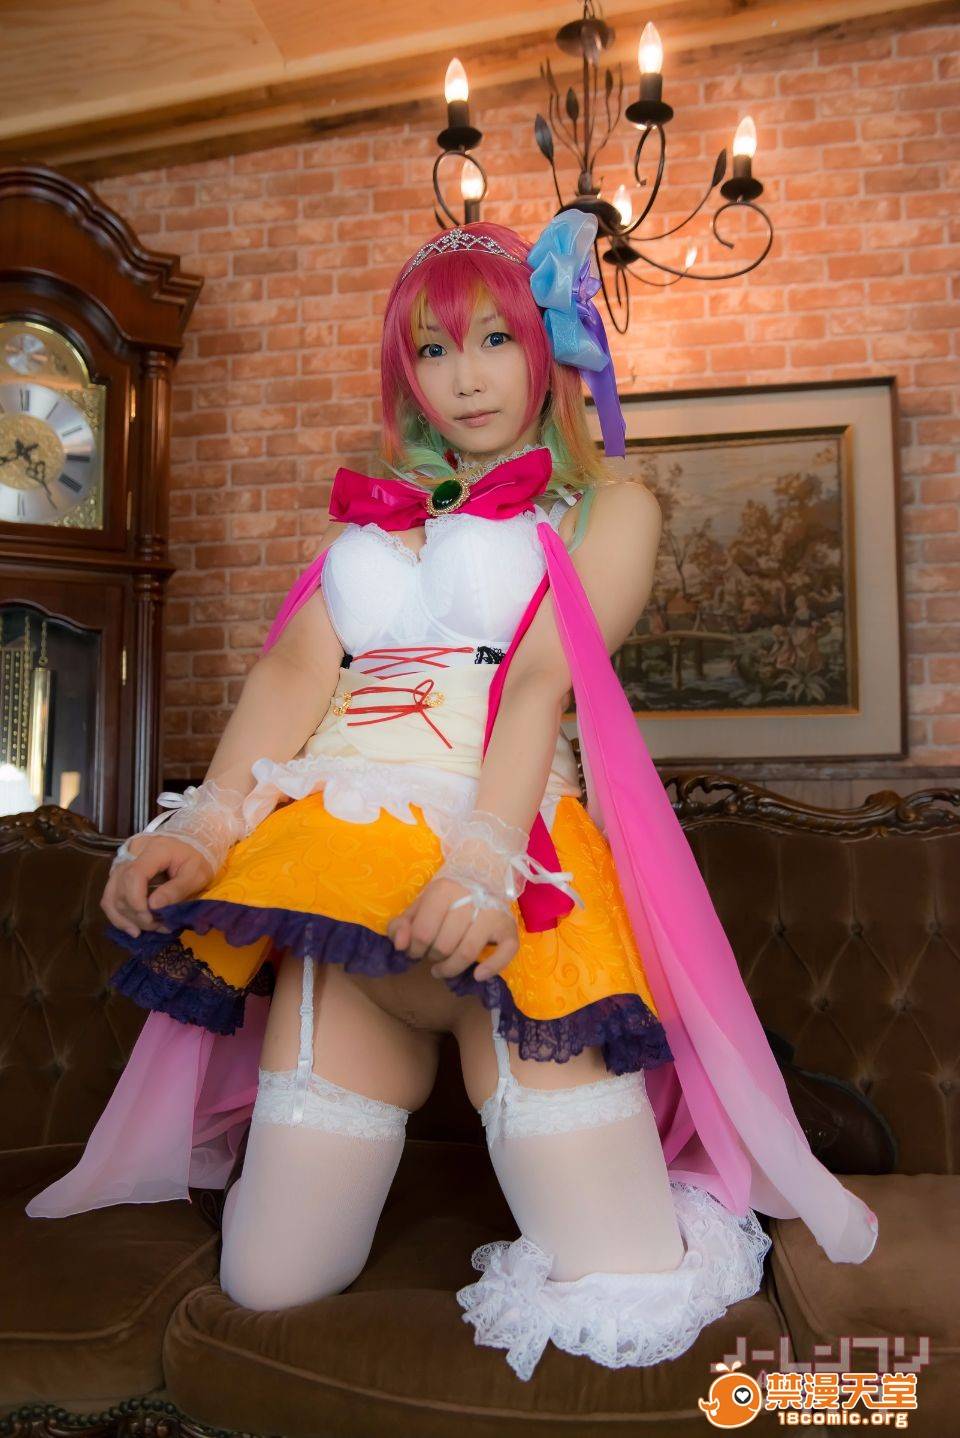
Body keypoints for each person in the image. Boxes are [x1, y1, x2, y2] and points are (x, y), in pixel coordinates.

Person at [25, 211, 877, 1384]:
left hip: (509, 888)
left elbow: (538, 680)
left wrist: (480, 863)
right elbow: (292, 671)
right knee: (268, 1282)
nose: (463, 377)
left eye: (493, 338)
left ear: (548, 346)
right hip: (338, 887)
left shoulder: (611, 504)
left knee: (624, 1277)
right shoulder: (376, 512)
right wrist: (207, 825)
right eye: (431, 349)